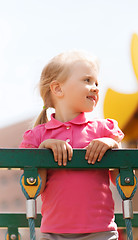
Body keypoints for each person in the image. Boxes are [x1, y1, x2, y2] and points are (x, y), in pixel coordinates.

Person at [19, 50, 124, 240]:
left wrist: (112, 145)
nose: (95, 88)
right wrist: (43, 150)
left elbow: (122, 181)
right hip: (54, 233)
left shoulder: (103, 129)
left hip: (100, 231)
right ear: (58, 89)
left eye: (96, 82)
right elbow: (33, 189)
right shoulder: (38, 136)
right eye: (87, 80)